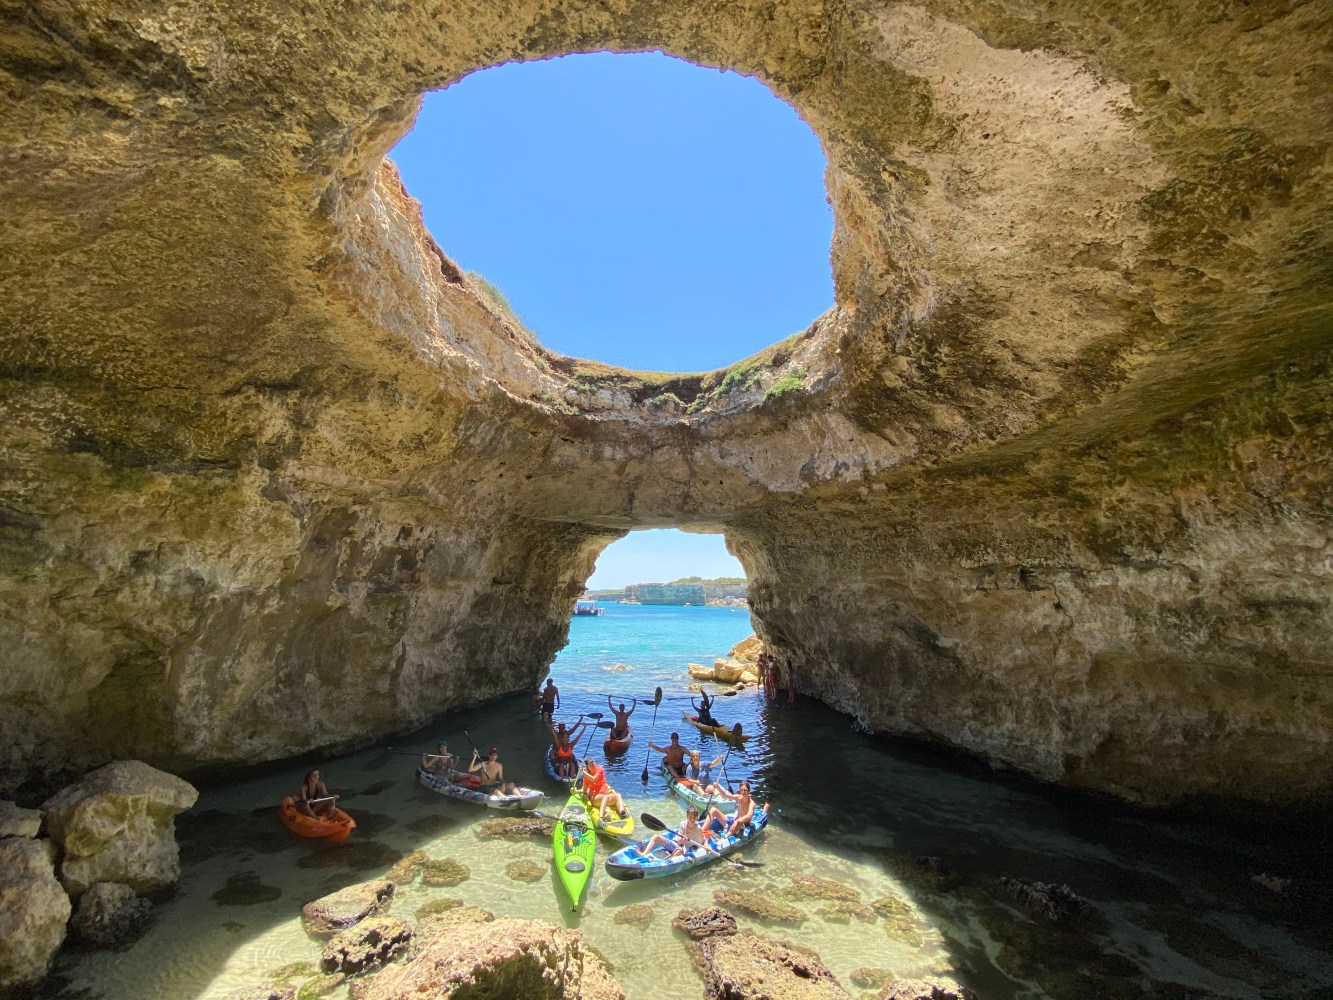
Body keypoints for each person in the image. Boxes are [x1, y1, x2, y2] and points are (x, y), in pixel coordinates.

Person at [639, 805, 719, 858]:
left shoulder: (698, 828)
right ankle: (643, 854)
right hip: (675, 843)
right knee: (655, 836)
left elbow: (703, 841)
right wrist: (682, 840)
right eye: (690, 817)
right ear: (687, 816)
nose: (692, 819)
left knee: (679, 851)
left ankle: (668, 860)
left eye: (694, 817)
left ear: (697, 818)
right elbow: (679, 842)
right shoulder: (682, 824)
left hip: (684, 848)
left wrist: (707, 846)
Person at [547, 713, 587, 779]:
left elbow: (578, 735)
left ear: (568, 738)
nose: (565, 739)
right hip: (560, 764)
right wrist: (552, 726)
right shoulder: (559, 744)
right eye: (564, 738)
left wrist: (584, 727)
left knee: (573, 765)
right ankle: (561, 779)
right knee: (561, 765)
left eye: (566, 738)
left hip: (569, 764)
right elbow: (554, 734)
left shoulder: (571, 745)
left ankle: (572, 778)